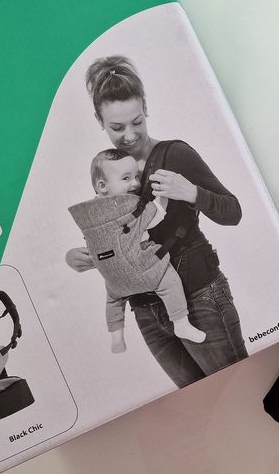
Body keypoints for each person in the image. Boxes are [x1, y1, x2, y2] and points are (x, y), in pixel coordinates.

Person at [65, 56, 247, 386]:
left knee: (237, 389)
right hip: (146, 313)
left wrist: (191, 192)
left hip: (199, 297)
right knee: (203, 404)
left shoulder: (175, 154)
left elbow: (232, 212)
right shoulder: (109, 172)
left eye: (136, 122)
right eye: (117, 128)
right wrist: (81, 256)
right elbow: (121, 236)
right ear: (99, 121)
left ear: (146, 108)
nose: (130, 135)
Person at [68, 148, 206, 356]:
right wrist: (162, 196)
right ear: (102, 186)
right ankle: (181, 323)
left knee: (113, 300)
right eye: (126, 178)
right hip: (144, 269)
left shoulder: (90, 218)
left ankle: (116, 335)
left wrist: (73, 255)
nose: (135, 184)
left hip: (115, 279)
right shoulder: (129, 210)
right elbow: (156, 214)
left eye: (136, 176)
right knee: (170, 282)